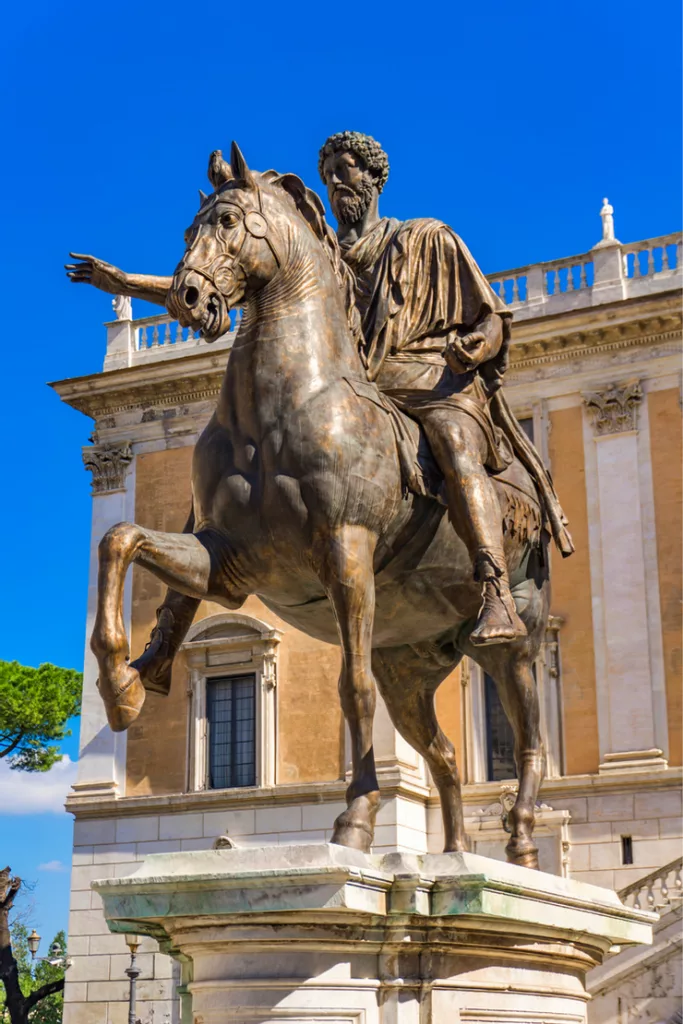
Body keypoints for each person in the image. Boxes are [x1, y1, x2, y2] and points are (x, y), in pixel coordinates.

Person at [318, 131, 573, 645]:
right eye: (327, 177)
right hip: (364, 389)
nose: (335, 183)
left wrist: (476, 347)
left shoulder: (428, 238)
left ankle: (496, 592)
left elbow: (492, 317)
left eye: (344, 170)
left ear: (372, 178)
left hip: (433, 382)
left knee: (456, 450)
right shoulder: (325, 260)